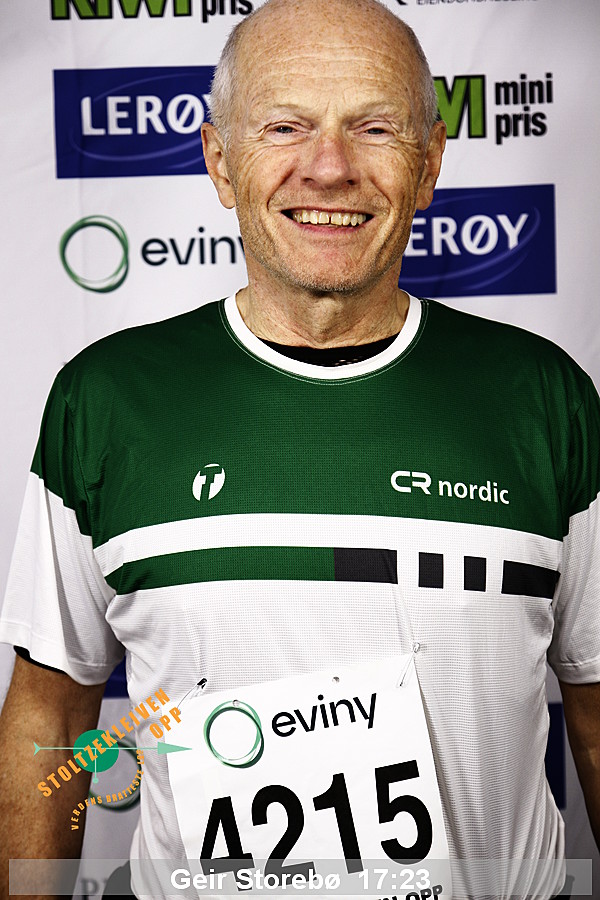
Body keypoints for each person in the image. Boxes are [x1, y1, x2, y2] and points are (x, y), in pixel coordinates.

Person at [0, 0, 599, 898]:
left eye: (375, 128)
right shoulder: (109, 399)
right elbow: (50, 716)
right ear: (220, 162)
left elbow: (595, 706)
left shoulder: (542, 397)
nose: (330, 167)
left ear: (430, 164)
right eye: (285, 126)